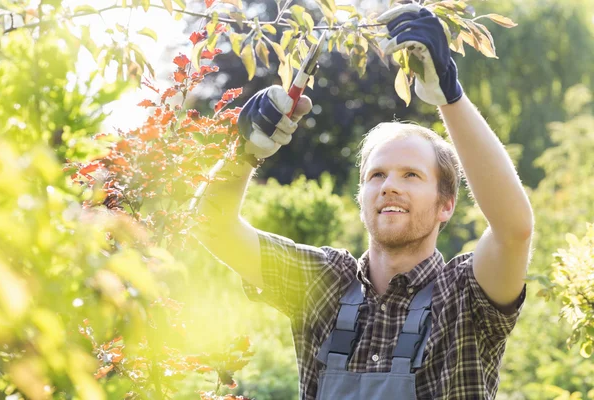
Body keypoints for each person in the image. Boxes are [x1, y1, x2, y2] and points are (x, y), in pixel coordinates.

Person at [195, 3, 533, 399]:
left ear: (446, 204)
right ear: (362, 197)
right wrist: (242, 155)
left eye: (411, 175)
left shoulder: (465, 295)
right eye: (377, 175)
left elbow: (514, 230)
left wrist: (449, 97)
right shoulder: (323, 284)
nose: (390, 186)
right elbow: (210, 225)